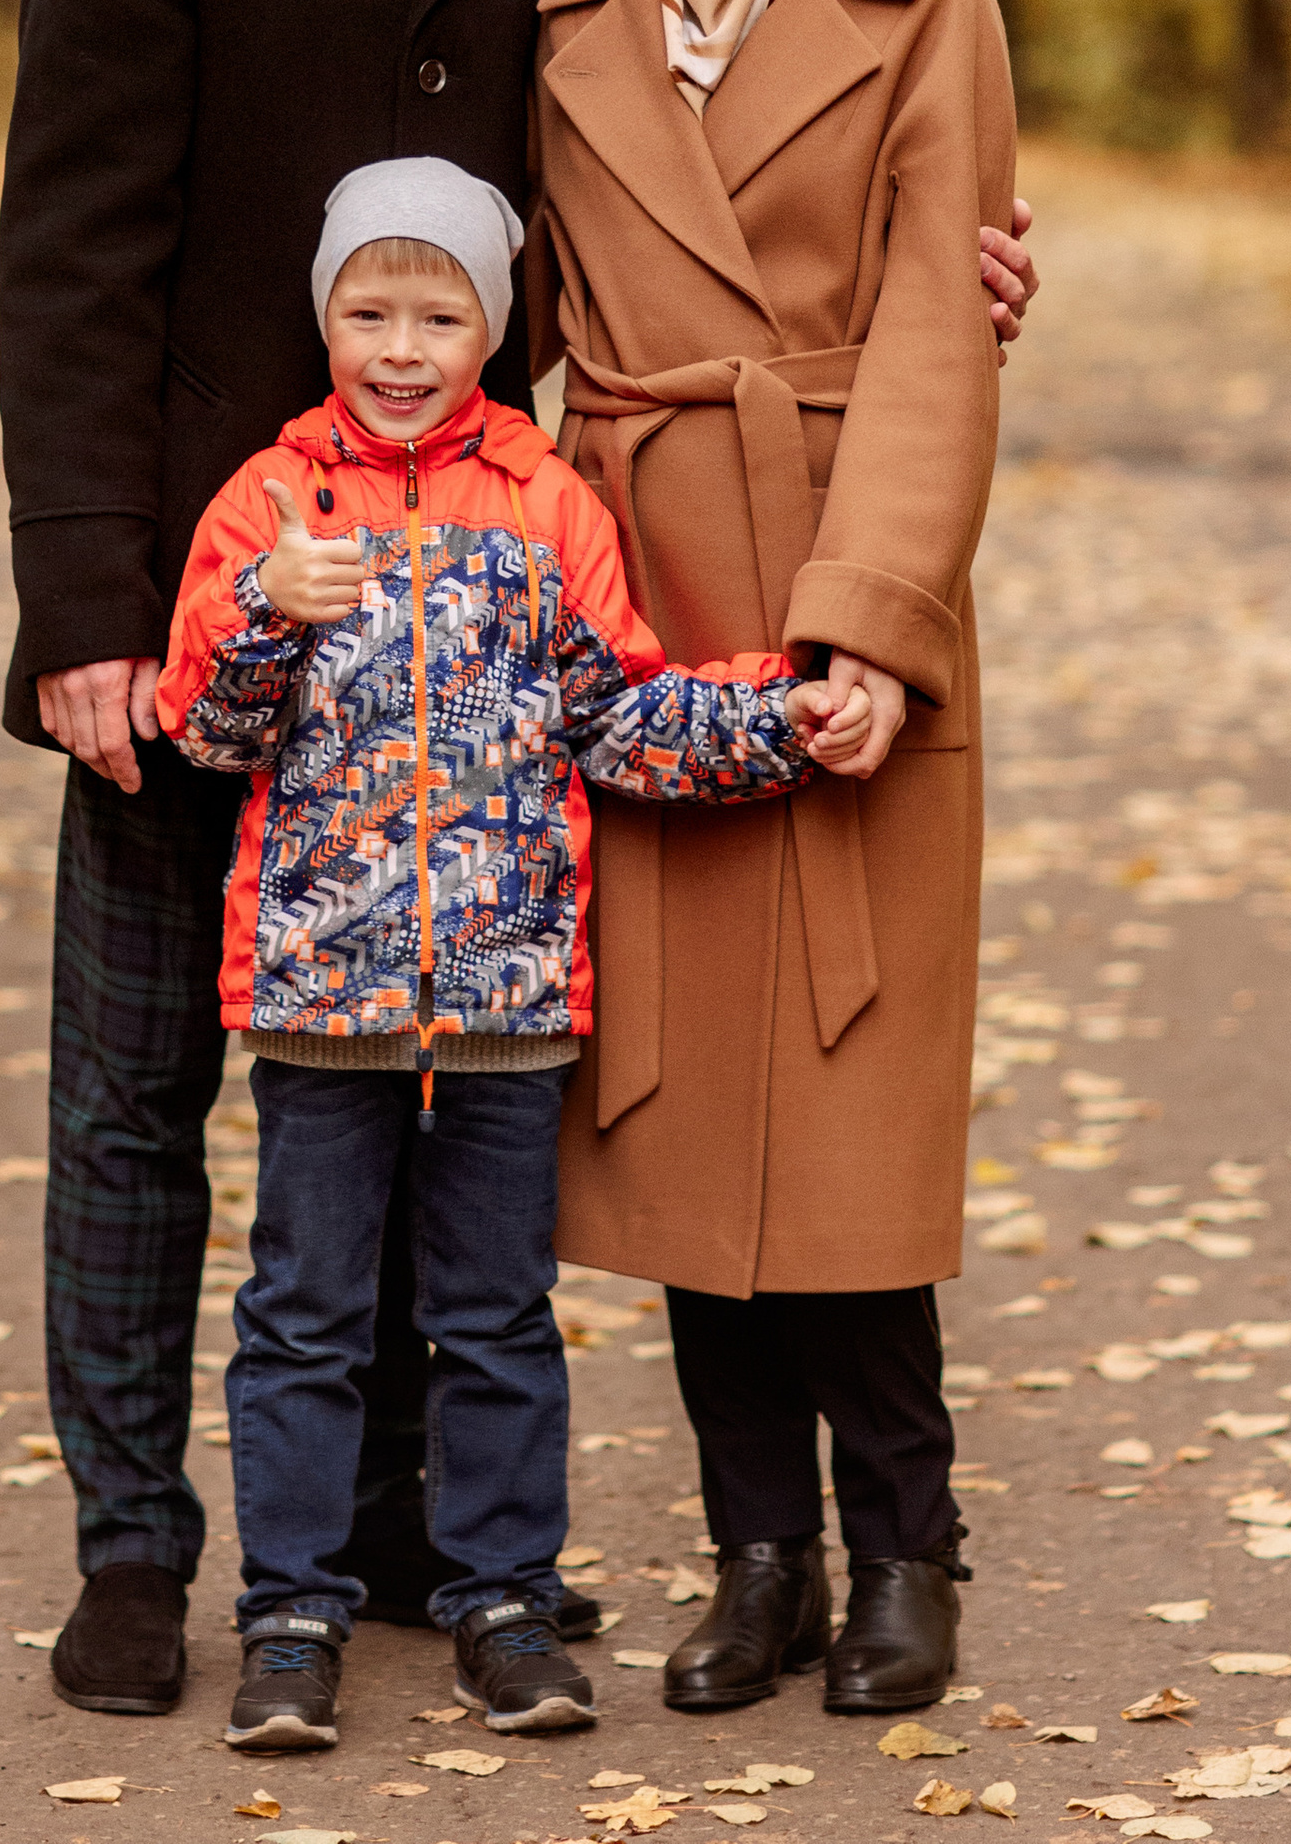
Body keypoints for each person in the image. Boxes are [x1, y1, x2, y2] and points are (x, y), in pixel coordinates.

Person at [0, 0, 1039, 1720]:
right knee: (146, 1097)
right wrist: (84, 598)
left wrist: (934, 303)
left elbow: (586, 261)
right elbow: (64, 237)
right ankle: (136, 1550)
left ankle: (434, 1542)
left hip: (518, 610)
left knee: (476, 1065)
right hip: (232, 592)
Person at [158, 157, 862, 1756]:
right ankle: (290, 1615)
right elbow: (208, 727)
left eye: (439, 311)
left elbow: (622, 711)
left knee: (493, 1314)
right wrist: (269, 610)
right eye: (368, 309)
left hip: (507, 999)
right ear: (324, 314)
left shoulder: (548, 504)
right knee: (307, 1315)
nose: (400, 346)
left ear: (492, 326)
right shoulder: (271, 502)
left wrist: (788, 715)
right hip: (320, 1000)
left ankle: (501, 1602)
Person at [530, 0, 1018, 1722]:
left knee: (845, 1100)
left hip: (836, 568)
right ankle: (757, 1555)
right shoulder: (572, 7)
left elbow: (933, 317)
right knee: (672, 1108)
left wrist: (878, 629)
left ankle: (905, 1548)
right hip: (637, 595)